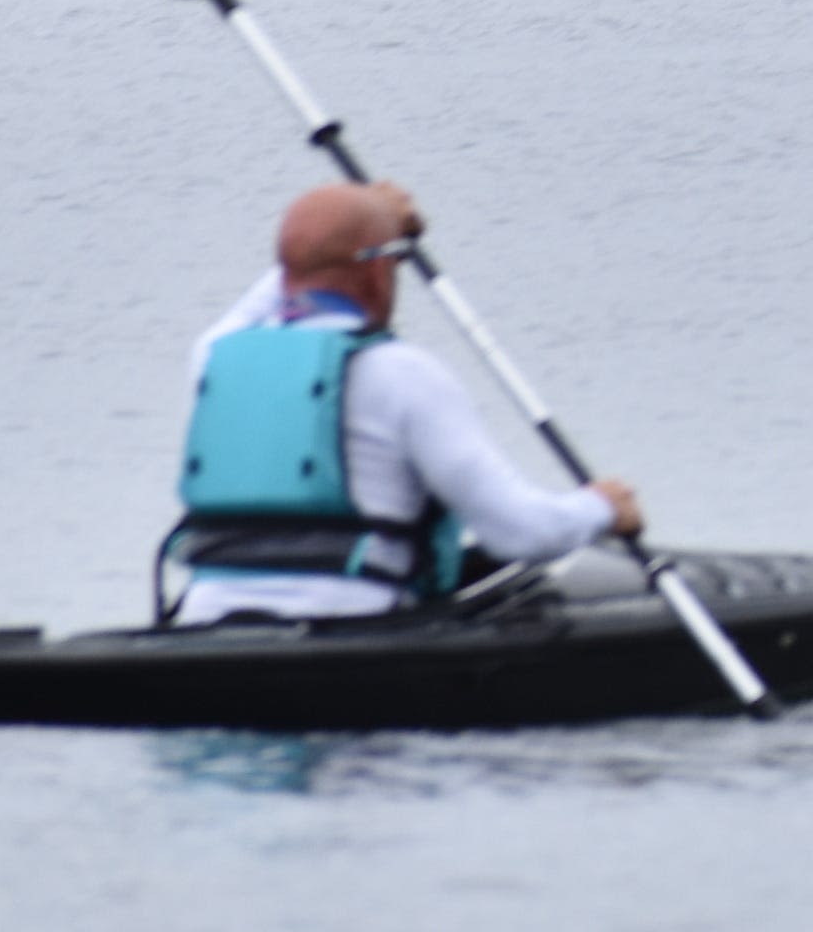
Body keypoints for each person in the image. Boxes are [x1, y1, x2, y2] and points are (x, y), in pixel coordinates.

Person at [160, 180, 643, 626]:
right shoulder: (404, 374)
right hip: (357, 630)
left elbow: (292, 276)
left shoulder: (213, 358)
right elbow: (519, 534)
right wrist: (601, 507)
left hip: (205, 624)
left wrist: (365, 222)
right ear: (377, 269)